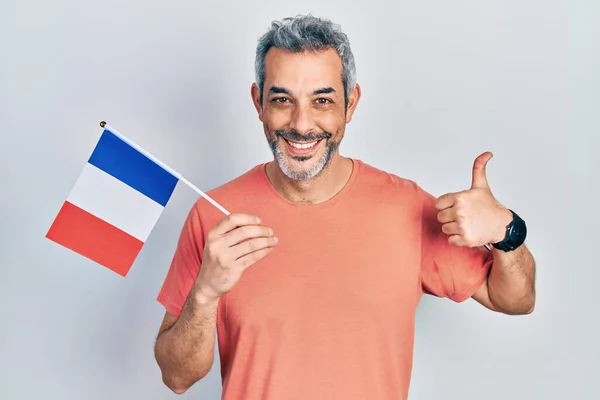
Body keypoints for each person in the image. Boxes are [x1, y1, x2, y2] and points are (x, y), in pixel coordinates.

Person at [153, 14, 536, 399]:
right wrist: (204, 294)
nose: (302, 124)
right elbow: (177, 377)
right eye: (282, 100)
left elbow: (516, 300)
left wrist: (507, 231)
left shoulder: (406, 207)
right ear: (258, 102)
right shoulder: (215, 215)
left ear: (350, 103)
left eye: (322, 100)